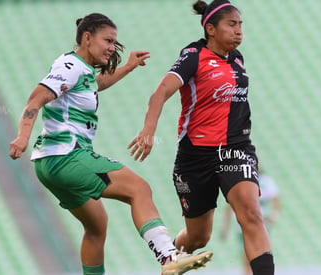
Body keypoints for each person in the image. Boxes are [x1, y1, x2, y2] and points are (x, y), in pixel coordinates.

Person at [9, 13, 212, 275]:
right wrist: (22, 136)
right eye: (108, 40)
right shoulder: (69, 67)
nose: (112, 47)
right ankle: (168, 256)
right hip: (67, 156)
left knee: (97, 226)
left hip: (49, 163)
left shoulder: (80, 69)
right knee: (138, 189)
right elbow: (35, 100)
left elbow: (96, 83)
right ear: (87, 37)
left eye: (114, 42)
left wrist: (127, 67)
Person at [128, 1, 275, 274]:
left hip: (235, 149)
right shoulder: (193, 55)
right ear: (210, 28)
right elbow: (160, 92)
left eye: (240, 24)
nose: (239, 30)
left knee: (252, 215)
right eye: (231, 25)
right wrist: (148, 130)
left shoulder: (237, 58)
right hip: (195, 155)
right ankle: (172, 260)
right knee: (198, 237)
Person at [220, 169, 281, 275]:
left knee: (259, 257)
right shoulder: (239, 181)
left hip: (260, 224)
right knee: (248, 259)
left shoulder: (266, 182)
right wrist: (225, 227)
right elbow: (230, 206)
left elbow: (276, 204)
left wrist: (272, 218)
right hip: (242, 225)